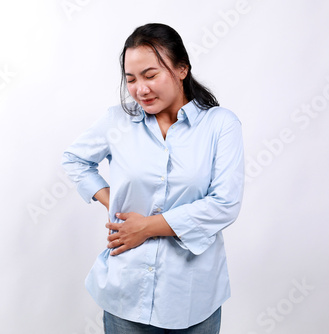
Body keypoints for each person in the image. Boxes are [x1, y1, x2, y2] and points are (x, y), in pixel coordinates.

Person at [61, 23, 244, 333]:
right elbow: (75, 159)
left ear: (182, 69)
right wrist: (113, 203)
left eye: (150, 75)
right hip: (126, 293)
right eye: (130, 79)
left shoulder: (220, 125)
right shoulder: (117, 121)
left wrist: (144, 227)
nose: (140, 89)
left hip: (192, 297)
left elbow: (225, 204)